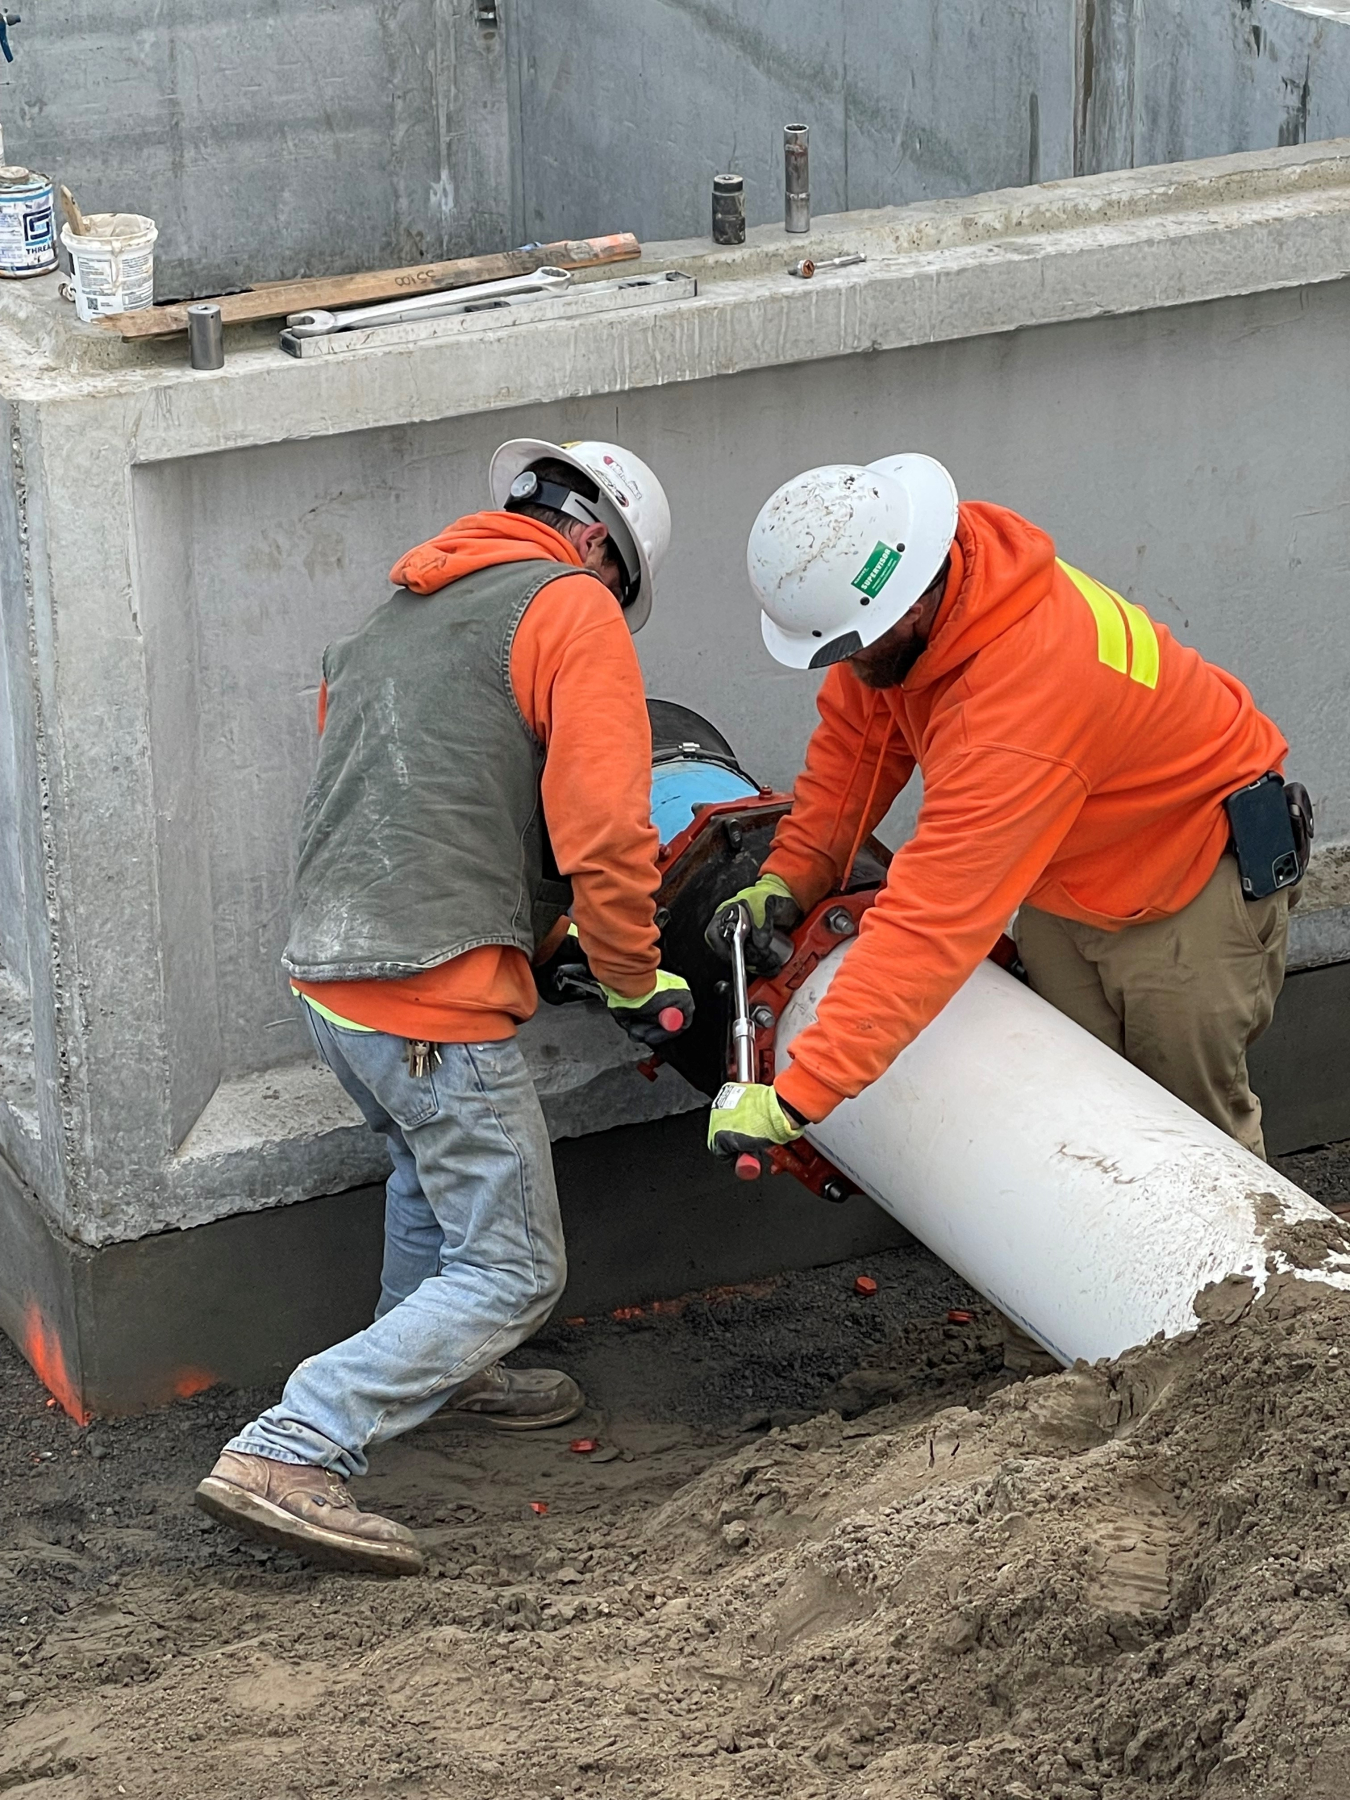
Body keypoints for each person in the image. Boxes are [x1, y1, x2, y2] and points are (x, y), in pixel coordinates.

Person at [197, 438, 693, 1575]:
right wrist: (629, 977)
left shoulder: (389, 620)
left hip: (335, 984)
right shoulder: (572, 613)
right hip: (434, 996)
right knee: (515, 1265)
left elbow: (419, 796)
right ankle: (296, 1442)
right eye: (619, 585)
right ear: (597, 548)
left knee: (431, 1179)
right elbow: (608, 832)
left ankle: (450, 1367)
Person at [705, 454, 1301, 1176]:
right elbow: (855, 754)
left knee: (1193, 1145)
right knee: (1079, 1117)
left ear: (915, 606)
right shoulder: (913, 589)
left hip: (1189, 877)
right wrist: (789, 879)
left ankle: (1260, 1287)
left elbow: (932, 921)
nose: (851, 666)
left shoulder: (1020, 701)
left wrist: (799, 1094)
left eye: (858, 648)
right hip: (1075, 872)